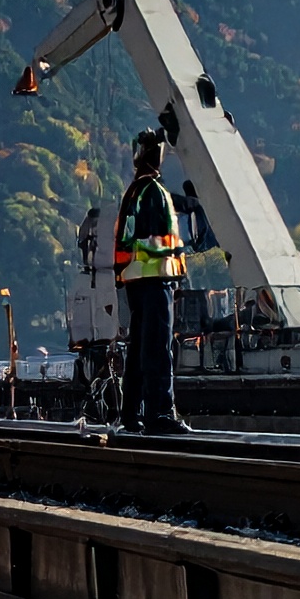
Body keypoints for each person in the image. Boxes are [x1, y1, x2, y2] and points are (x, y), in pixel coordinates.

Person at [114, 129, 193, 434]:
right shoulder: (154, 193)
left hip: (135, 279)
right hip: (156, 278)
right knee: (158, 348)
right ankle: (159, 413)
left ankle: (131, 413)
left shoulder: (134, 191)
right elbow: (160, 240)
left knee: (138, 349)